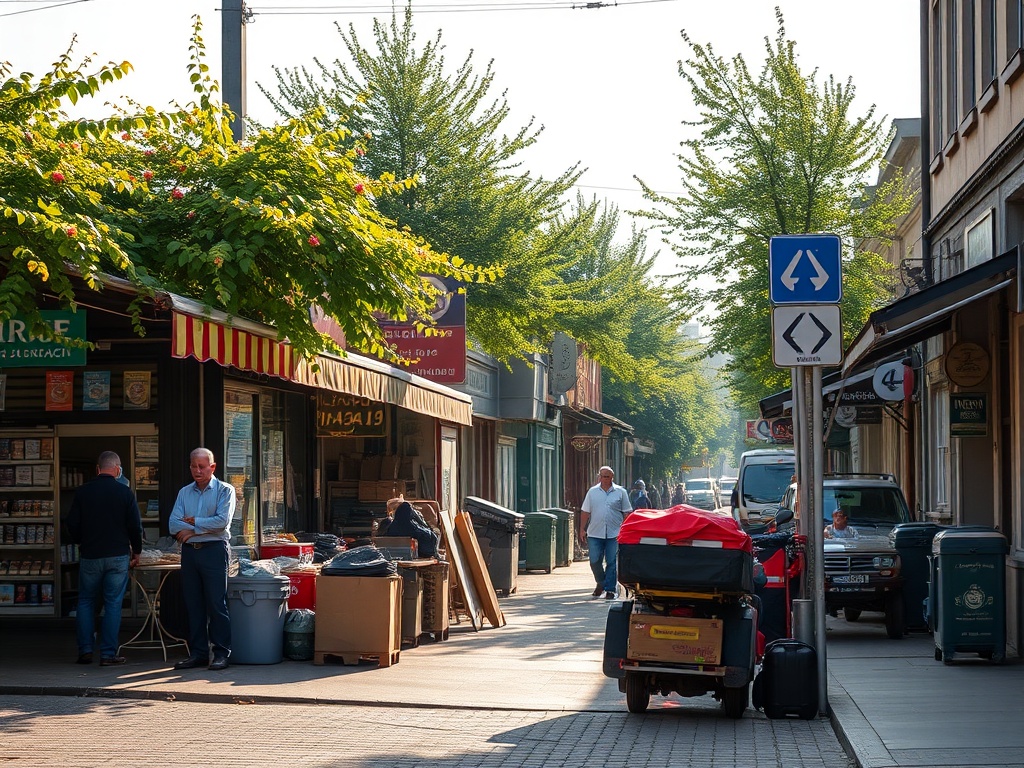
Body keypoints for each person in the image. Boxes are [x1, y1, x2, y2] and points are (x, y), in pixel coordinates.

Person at [65, 451, 143, 666]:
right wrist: (137, 551)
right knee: (113, 603)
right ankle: (108, 654)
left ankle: (85, 651)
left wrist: (82, 541)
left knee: (86, 601)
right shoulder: (124, 493)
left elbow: (72, 523)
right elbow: (135, 526)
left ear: (98, 469)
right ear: (117, 470)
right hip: (117, 556)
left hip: (90, 554)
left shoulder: (83, 492)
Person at [169, 448, 236, 671]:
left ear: (212, 467)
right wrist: (200, 527)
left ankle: (221, 653)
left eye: (202, 466)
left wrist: (194, 528)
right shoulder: (184, 492)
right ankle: (197, 653)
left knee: (217, 604)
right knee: (193, 604)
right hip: (190, 554)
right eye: (193, 466)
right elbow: (174, 524)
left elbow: (222, 522)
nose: (197, 471)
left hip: (214, 551)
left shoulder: (225, 490)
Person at [580, 466, 631, 600]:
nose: (604, 479)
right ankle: (601, 583)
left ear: (612, 478)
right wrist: (582, 529)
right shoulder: (592, 492)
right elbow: (585, 511)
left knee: (612, 561)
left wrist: (626, 529)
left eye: (607, 476)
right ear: (599, 477)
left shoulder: (620, 492)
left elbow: (627, 512)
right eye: (602, 476)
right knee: (594, 560)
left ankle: (610, 589)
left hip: (614, 533)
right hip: (595, 532)